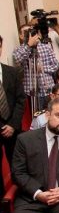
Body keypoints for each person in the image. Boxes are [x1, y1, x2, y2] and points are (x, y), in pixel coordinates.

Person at [0, 34, 26, 197]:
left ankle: (21, 195)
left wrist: (13, 125)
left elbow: (20, 99)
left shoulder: (12, 72)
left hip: (13, 126)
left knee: (17, 164)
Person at [13, 24, 59, 112]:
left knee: (51, 113)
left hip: (48, 88)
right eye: (26, 32)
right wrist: (29, 45)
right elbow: (17, 59)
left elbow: (56, 65)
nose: (29, 35)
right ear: (21, 36)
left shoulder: (46, 47)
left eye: (31, 32)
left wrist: (42, 68)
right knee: (35, 117)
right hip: (31, 90)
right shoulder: (19, 50)